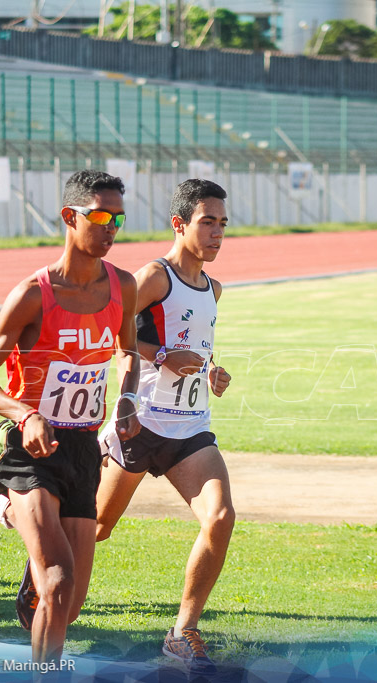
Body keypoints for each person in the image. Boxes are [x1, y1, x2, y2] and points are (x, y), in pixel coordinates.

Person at [0, 170, 141, 664]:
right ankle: (14, 508)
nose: (111, 229)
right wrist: (25, 415)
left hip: (83, 449)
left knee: (69, 603)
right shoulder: (33, 294)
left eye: (119, 219)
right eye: (101, 216)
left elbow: (128, 352)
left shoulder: (123, 286)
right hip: (30, 449)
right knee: (58, 583)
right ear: (70, 216)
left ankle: (25, 542)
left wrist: (127, 399)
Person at [96, 179, 234, 674]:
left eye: (222, 223)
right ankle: (39, 558)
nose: (217, 233)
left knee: (219, 518)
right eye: (207, 222)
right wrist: (160, 357)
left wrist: (210, 372)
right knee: (94, 529)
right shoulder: (155, 277)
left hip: (191, 429)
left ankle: (183, 631)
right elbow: (112, 331)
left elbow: (194, 347)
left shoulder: (214, 288)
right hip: (142, 423)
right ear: (179, 224)